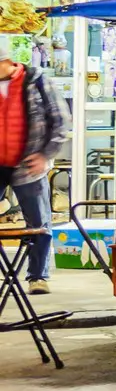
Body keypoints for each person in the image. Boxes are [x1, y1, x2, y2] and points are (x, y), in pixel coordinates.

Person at [0, 54, 67, 296]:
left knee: (38, 223)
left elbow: (60, 120)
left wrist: (45, 154)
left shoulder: (36, 81)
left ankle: (37, 276)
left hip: (28, 162)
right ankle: (7, 271)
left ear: (7, 62)